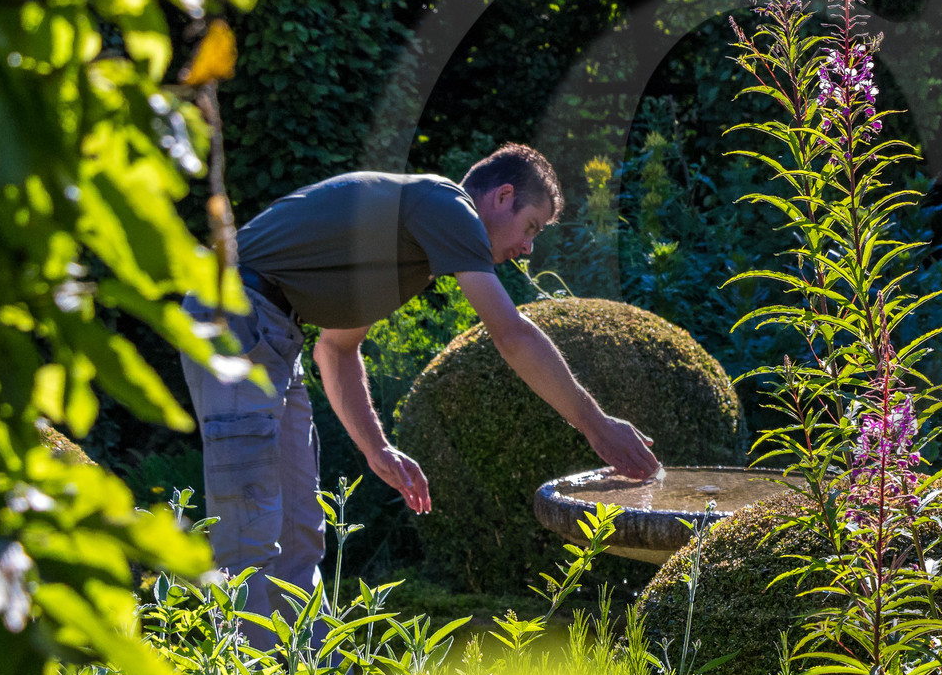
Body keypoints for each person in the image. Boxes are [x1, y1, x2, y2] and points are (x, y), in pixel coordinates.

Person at [179, 143, 659, 643]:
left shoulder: (404, 242)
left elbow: (337, 352)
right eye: (531, 227)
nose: (528, 248)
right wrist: (596, 426)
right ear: (502, 196)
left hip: (276, 335)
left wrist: (376, 448)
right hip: (233, 317)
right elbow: (510, 334)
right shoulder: (443, 204)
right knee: (249, 525)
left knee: (300, 529)